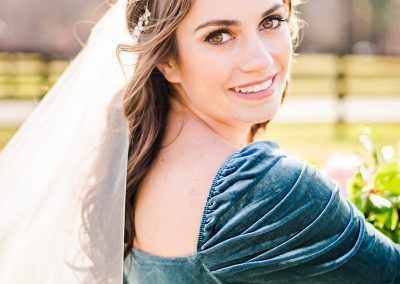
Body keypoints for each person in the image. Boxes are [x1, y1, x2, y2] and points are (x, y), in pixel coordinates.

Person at [0, 0, 399, 283]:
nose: (260, 59)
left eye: (271, 20)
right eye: (220, 35)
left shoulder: (133, 165)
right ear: (167, 59)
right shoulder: (261, 187)